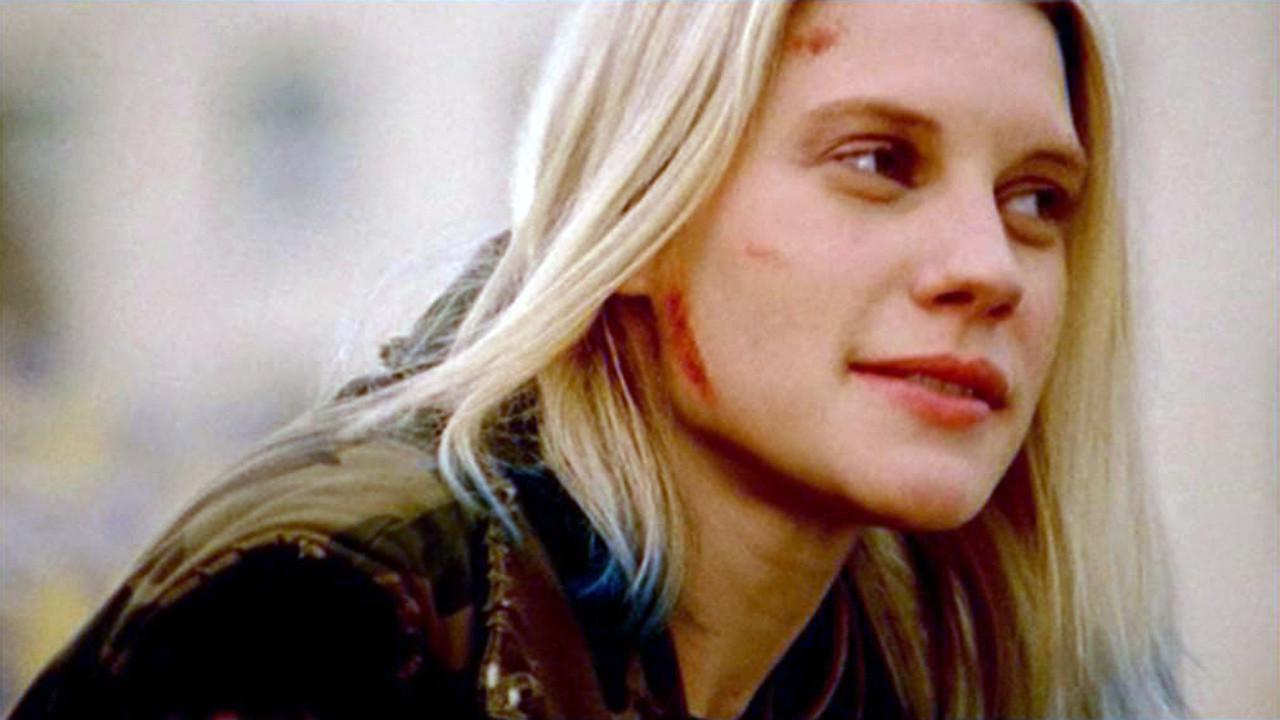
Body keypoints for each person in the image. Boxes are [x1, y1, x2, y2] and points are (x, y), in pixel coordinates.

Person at [10, 1, 1186, 718]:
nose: (988, 265)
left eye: (1036, 197)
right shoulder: (329, 615)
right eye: (878, 161)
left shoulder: (912, 659)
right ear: (639, 214)